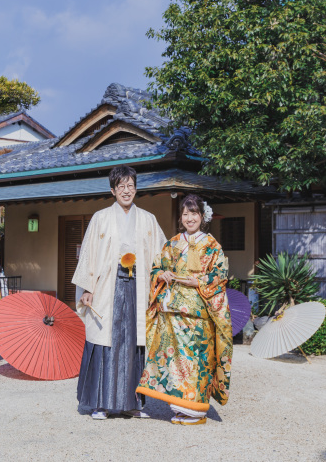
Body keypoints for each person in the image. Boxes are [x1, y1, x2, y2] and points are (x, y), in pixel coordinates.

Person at [73, 165, 166, 419]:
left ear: (136, 188)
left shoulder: (148, 219)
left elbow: (161, 254)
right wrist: (88, 288)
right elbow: (89, 255)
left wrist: (167, 274)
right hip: (107, 285)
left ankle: (134, 404)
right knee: (105, 340)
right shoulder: (100, 217)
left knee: (135, 343)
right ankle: (100, 403)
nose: (127, 191)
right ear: (112, 190)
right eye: (121, 186)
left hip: (139, 284)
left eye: (130, 185)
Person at [136, 194, 232, 425]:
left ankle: (196, 411)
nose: (189, 218)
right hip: (173, 312)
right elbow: (156, 267)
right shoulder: (172, 243)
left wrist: (198, 282)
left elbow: (221, 274)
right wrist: (162, 274)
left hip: (199, 312)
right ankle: (181, 408)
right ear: (181, 217)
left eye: (194, 213)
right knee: (176, 362)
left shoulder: (212, 245)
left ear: (202, 216)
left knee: (197, 360)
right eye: (185, 214)